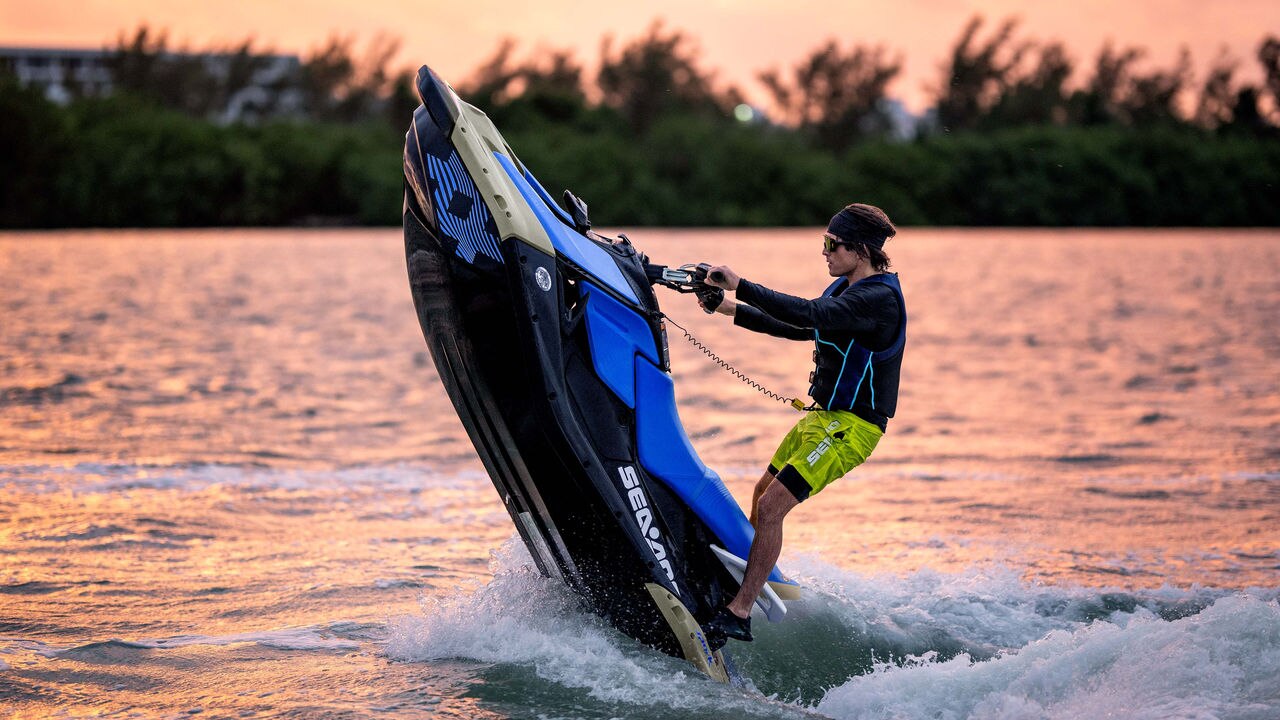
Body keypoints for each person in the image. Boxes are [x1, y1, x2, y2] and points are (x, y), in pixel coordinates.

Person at [698, 203, 906, 650]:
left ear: (862, 250)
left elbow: (810, 313)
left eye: (832, 244)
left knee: (772, 508)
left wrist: (742, 285)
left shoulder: (879, 298)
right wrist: (727, 307)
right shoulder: (847, 288)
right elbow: (800, 327)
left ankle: (740, 612)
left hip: (852, 428)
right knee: (760, 493)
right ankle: (746, 578)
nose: (825, 252)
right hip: (822, 420)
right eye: (824, 242)